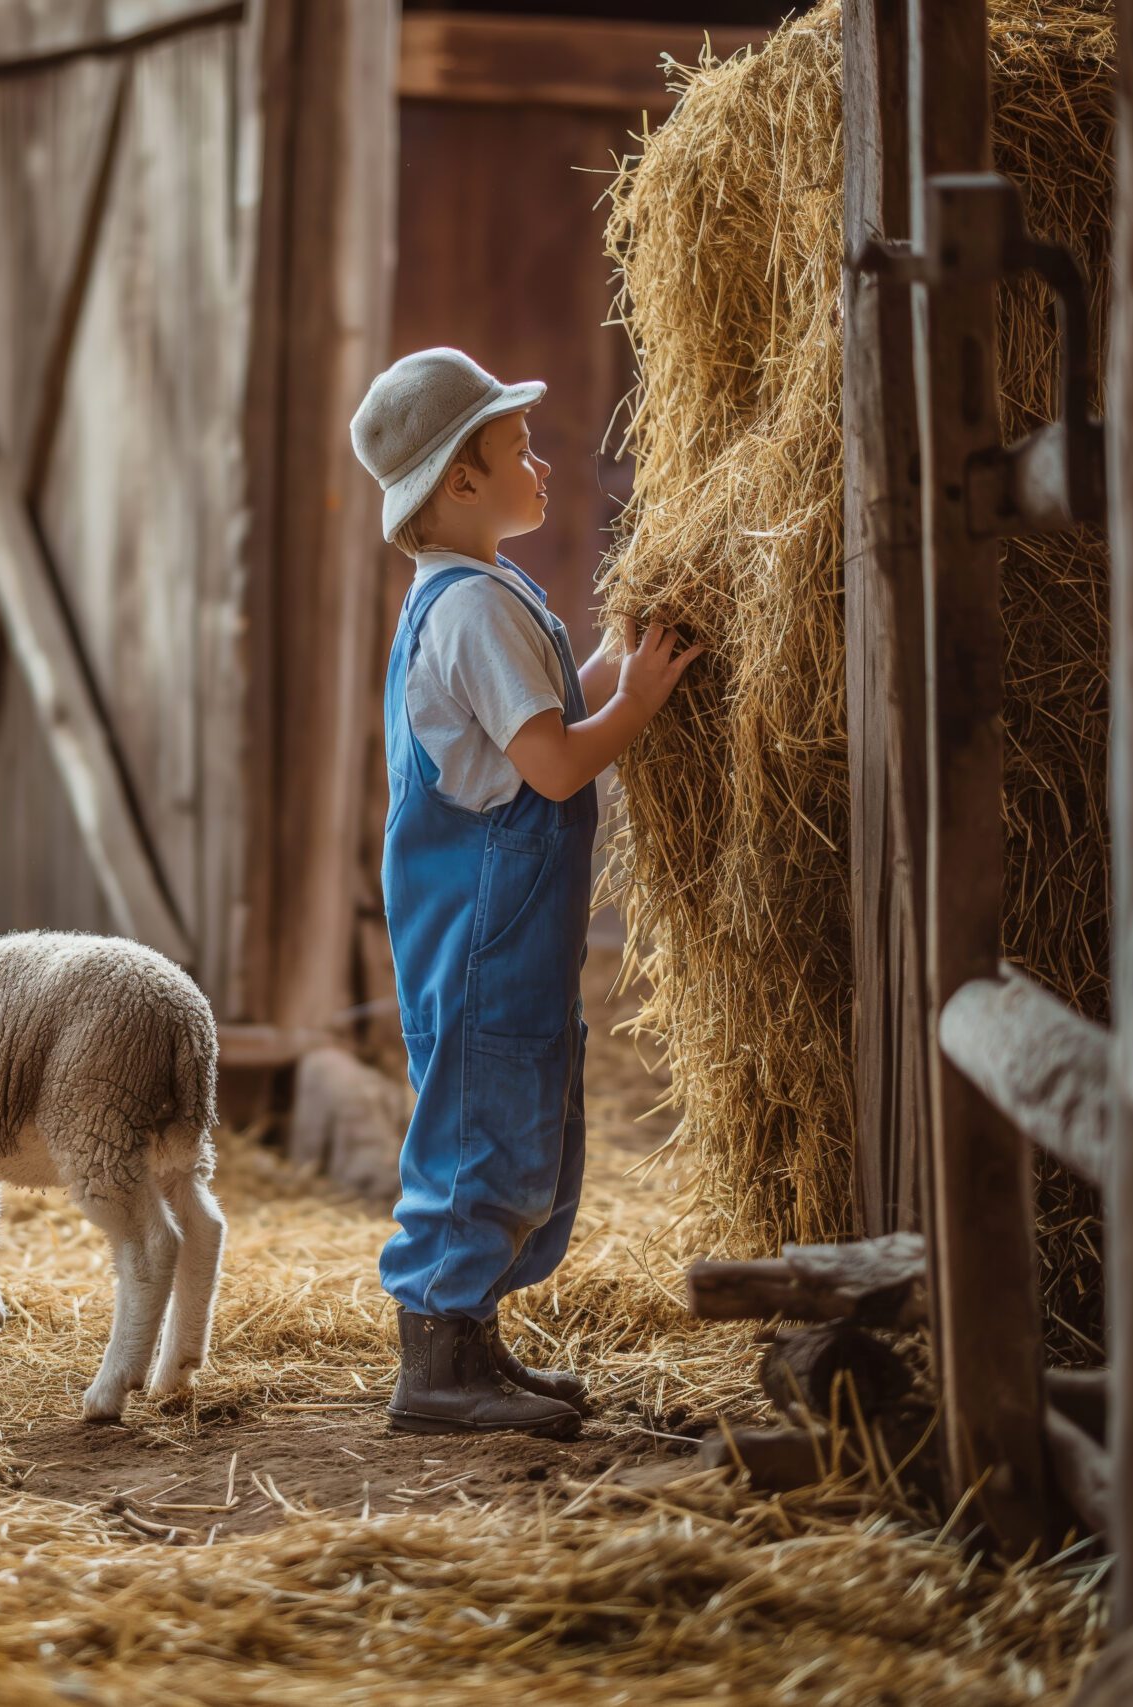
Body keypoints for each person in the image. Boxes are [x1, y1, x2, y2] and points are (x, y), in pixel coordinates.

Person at [349, 347, 704, 1437]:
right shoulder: (469, 612)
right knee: (478, 1127)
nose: (540, 463)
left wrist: (619, 664)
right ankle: (437, 1368)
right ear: (461, 481)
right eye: (518, 449)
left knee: (513, 1117)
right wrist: (635, 706)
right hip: (481, 928)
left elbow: (543, 715)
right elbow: (551, 764)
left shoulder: (483, 592)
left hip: (504, 926)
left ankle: (473, 1347)